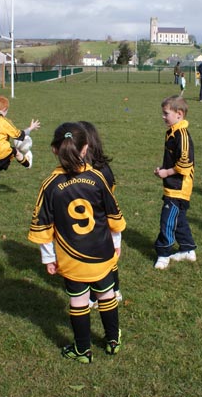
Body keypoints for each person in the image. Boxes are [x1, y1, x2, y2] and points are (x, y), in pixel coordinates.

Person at [28, 122, 126, 363]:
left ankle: (83, 349)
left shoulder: (49, 185)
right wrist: (116, 242)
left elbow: (43, 226)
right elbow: (113, 216)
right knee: (107, 295)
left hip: (71, 259)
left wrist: (49, 258)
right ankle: (113, 340)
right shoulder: (98, 177)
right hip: (103, 253)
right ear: (86, 149)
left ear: (54, 150)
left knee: (79, 301)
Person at [79, 121, 122, 307]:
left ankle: (96, 295)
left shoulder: (94, 172)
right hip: (102, 220)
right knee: (106, 256)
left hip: (97, 222)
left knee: (96, 259)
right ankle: (112, 291)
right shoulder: (103, 168)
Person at [0, 95, 40, 214]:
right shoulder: (4, 121)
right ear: (5, 109)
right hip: (2, 153)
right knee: (14, 151)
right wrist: (31, 128)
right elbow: (20, 135)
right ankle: (27, 164)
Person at [153, 96, 196, 269]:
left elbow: (185, 164)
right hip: (172, 184)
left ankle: (163, 253)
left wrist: (166, 173)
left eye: (166, 113)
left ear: (179, 114)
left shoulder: (182, 135)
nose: (163, 117)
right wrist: (163, 170)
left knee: (168, 220)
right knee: (179, 219)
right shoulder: (172, 131)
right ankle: (188, 249)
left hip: (179, 187)